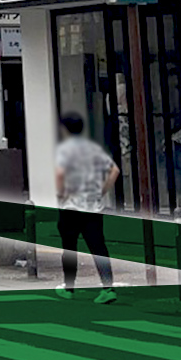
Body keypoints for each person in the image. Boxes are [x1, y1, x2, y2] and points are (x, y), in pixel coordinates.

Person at [53, 112, 119, 301]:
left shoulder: (65, 150)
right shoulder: (92, 148)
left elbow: (60, 175)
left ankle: (69, 288)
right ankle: (108, 289)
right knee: (98, 247)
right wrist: (102, 190)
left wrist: (61, 194)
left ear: (65, 129)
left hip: (71, 206)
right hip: (93, 206)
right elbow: (114, 170)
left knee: (69, 247)